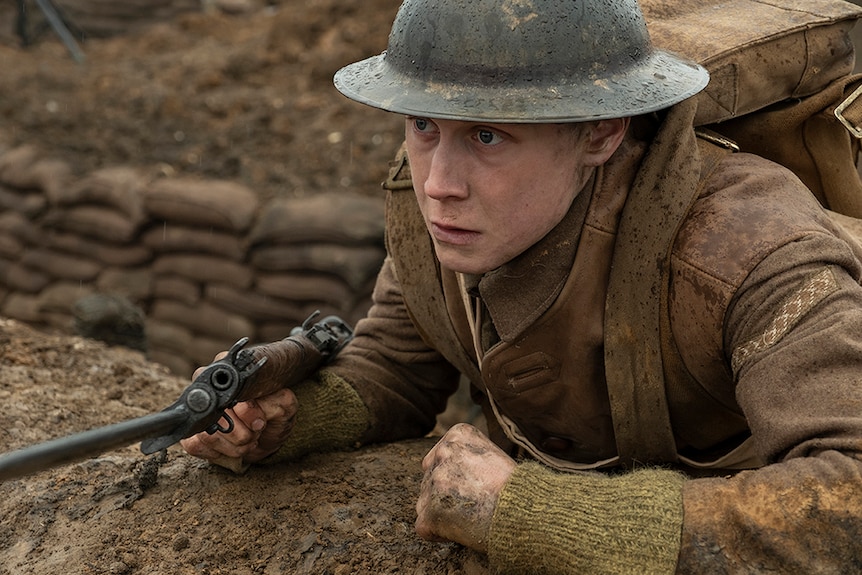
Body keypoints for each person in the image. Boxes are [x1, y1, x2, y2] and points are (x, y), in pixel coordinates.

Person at [181, 0, 862, 572]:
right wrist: (287, 418)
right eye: (423, 126)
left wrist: (538, 514)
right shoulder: (444, 210)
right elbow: (398, 360)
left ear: (600, 131)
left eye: (486, 135)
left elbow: (850, 494)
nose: (439, 183)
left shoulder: (746, 247)